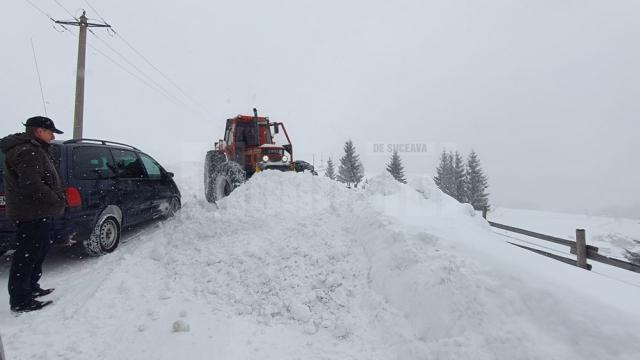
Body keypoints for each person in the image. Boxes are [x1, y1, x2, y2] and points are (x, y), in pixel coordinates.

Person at [0, 116, 66, 312]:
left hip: (37, 211)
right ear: (38, 131)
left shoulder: (35, 149)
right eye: (50, 132)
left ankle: (32, 287)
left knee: (38, 250)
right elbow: (32, 184)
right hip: (31, 213)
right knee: (26, 255)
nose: (53, 136)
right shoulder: (29, 151)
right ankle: (21, 300)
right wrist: (56, 198)